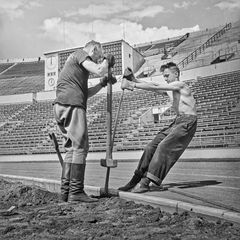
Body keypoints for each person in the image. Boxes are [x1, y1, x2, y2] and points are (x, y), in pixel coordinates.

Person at [119, 62, 197, 193]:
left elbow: (156, 85)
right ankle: (136, 179)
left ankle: (146, 182)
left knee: (163, 147)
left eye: (167, 76)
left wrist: (132, 85)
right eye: (164, 76)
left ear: (176, 74)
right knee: (151, 146)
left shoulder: (181, 85)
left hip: (188, 122)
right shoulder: (171, 89)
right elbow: (154, 87)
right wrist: (134, 80)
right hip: (177, 121)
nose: (165, 79)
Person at [53, 40, 116, 203]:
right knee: (81, 147)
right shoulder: (80, 54)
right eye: (98, 56)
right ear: (94, 49)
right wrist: (106, 61)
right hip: (71, 104)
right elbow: (99, 69)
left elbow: (85, 93)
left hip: (62, 105)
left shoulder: (74, 68)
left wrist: (102, 84)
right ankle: (76, 192)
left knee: (72, 150)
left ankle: (66, 192)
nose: (97, 59)